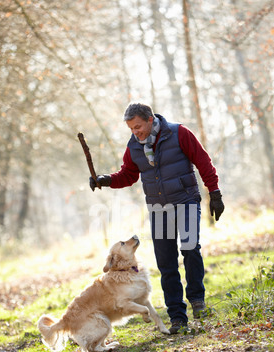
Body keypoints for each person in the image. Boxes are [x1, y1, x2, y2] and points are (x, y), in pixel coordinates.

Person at [89, 103, 224, 334]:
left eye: (138, 126)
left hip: (186, 202)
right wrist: (105, 180)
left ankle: (197, 300)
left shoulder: (179, 133)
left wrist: (215, 192)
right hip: (159, 208)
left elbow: (203, 161)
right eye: (131, 129)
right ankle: (177, 316)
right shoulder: (134, 146)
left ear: (150, 119)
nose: (136, 132)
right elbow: (128, 175)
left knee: (191, 249)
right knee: (166, 262)